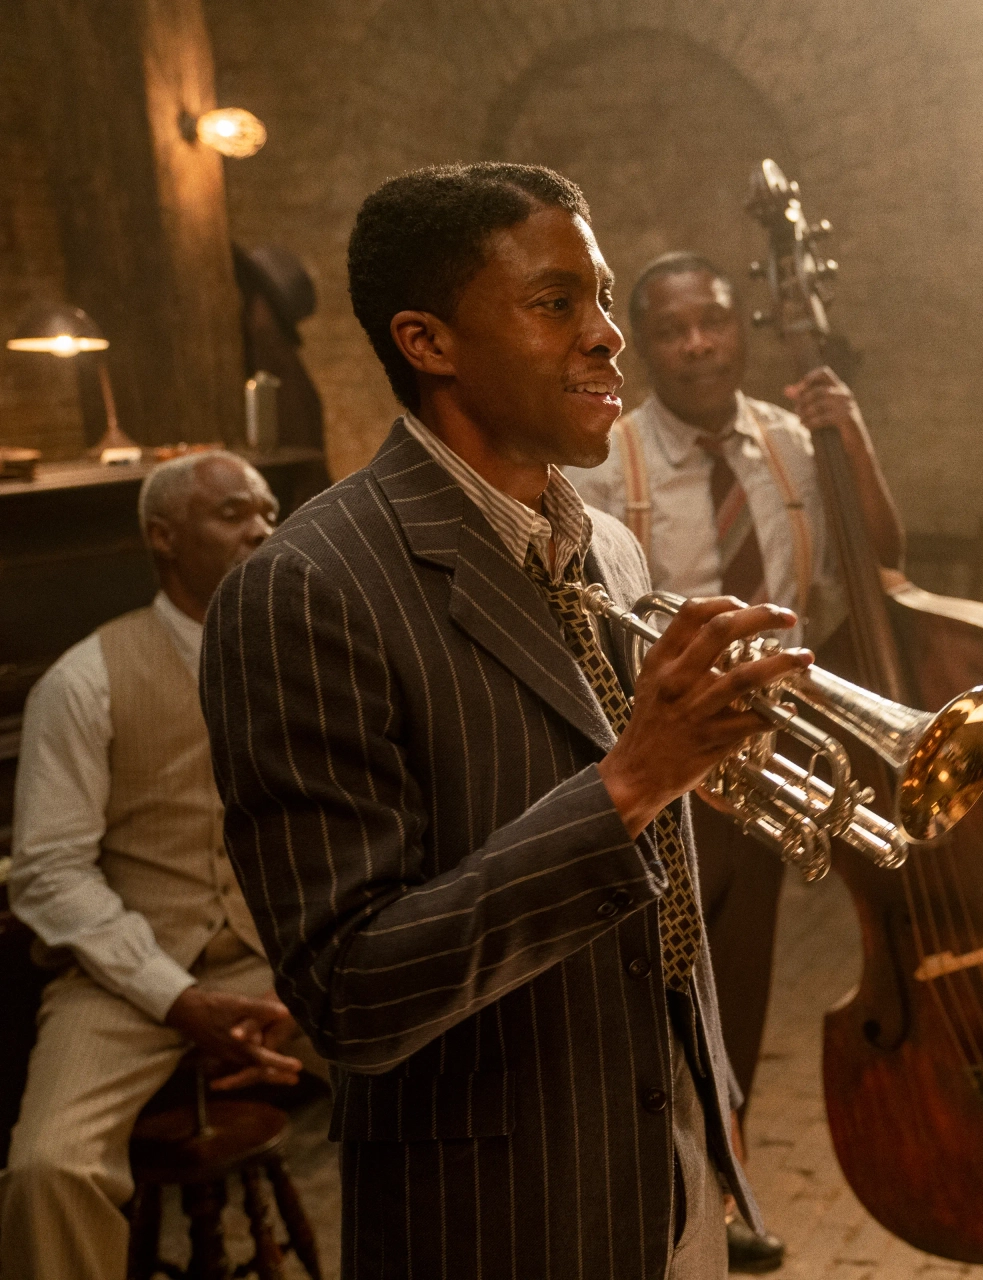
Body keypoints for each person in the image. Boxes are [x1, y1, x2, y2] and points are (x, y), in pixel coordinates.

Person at [201, 162, 808, 1279]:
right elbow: (351, 992)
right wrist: (631, 782)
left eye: (606, 297)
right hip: (500, 1203)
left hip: (669, 1160)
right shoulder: (305, 586)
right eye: (556, 302)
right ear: (428, 342)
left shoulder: (610, 549)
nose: (609, 335)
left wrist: (703, 760)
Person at [563, 252, 904, 1273]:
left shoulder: (792, 441)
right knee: (652, 980)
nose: (698, 343)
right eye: (672, 331)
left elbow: (875, 559)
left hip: (768, 760)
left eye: (714, 322)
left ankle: (723, 1180)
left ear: (740, 328)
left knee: (735, 982)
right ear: (646, 342)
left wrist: (855, 442)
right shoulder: (601, 458)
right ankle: (647, 1191)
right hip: (660, 755)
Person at [1, 451, 312, 1280]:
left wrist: (308, 967)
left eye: (268, 510)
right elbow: (47, 874)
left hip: (284, 962)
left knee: (466, 1067)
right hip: (132, 978)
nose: (261, 529)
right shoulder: (83, 680)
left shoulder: (310, 660)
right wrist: (173, 999)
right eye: (232, 513)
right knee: (48, 1169)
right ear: (162, 538)